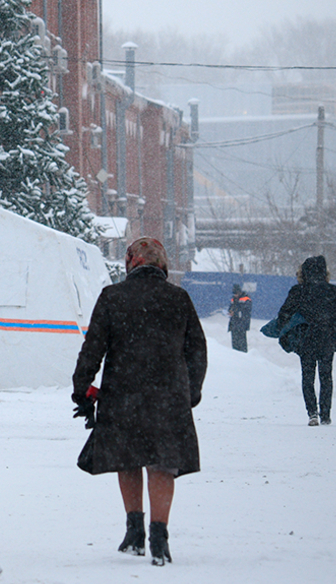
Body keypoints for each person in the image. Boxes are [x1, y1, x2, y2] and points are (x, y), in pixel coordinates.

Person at [71, 237, 207, 567]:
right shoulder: (178, 298)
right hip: (168, 395)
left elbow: (93, 348)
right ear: (162, 264)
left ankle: (134, 533)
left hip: (122, 392)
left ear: (131, 262)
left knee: (128, 459)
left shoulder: (113, 297)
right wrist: (191, 392)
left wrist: (82, 386)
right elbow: (197, 351)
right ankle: (159, 537)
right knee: (162, 463)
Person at [274, 255, 336, 426]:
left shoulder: (298, 291)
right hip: (327, 339)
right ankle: (326, 414)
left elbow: (284, 314)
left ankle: (312, 413)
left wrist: (283, 335)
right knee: (326, 377)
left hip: (306, 339)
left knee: (307, 377)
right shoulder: (333, 291)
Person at [227, 284, 252, 352]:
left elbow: (245, 312)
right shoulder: (233, 299)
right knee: (235, 343)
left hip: (241, 324)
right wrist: (230, 311)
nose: (235, 295)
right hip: (234, 324)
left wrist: (235, 313)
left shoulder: (246, 299)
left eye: (236, 293)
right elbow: (231, 307)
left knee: (241, 344)